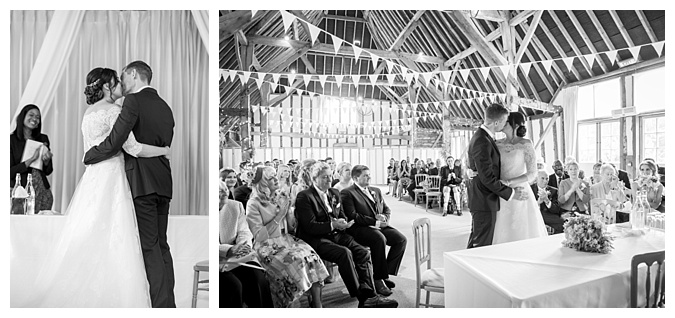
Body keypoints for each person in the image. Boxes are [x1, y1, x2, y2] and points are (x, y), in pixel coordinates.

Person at [25, 67, 172, 307]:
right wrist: (163, 150)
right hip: (113, 177)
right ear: (106, 87)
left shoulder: (88, 113)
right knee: (118, 237)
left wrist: (90, 158)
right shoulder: (114, 111)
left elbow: (88, 152)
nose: (120, 88)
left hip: (93, 179)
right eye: (116, 83)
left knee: (90, 233)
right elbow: (132, 148)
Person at [82, 63, 176, 307]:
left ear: (133, 74)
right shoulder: (166, 107)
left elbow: (120, 144)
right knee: (162, 245)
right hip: (163, 182)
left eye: (123, 77)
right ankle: (169, 304)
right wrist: (165, 150)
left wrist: (90, 156)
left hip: (141, 182)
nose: (121, 83)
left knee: (149, 247)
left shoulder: (131, 102)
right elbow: (161, 143)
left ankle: (162, 307)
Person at [295, 162, 397, 308]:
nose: (329, 180)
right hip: (316, 238)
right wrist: (332, 224)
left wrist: (343, 222)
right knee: (344, 253)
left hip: (337, 234)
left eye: (330, 176)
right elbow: (309, 226)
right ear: (314, 178)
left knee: (362, 252)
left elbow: (341, 214)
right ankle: (364, 298)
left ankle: (370, 293)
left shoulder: (334, 193)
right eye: (325, 177)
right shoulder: (304, 196)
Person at [246, 166, 328, 308]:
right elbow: (259, 236)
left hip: (286, 239)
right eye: (271, 178)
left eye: (274, 176)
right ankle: (290, 303)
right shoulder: (254, 203)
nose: (276, 179)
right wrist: (280, 214)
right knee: (295, 261)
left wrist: (290, 211)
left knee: (312, 257)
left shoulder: (280, 196)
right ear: (263, 183)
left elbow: (291, 227)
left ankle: (317, 304)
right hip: (266, 246)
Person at [466, 104, 529, 249]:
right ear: (496, 123)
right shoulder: (482, 140)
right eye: (504, 120)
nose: (505, 123)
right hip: (483, 199)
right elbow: (487, 177)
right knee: (481, 245)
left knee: (476, 240)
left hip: (484, 198)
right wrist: (512, 193)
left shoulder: (485, 137)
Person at [341, 165, 406, 297]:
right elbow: (353, 216)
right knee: (379, 239)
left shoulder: (375, 190)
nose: (369, 177)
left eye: (369, 174)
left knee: (400, 240)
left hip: (379, 225)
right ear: (355, 178)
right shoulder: (347, 193)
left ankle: (384, 273)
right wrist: (374, 222)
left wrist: (385, 217)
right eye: (365, 175)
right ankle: (378, 279)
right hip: (360, 228)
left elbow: (386, 208)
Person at [491, 112, 548, 244]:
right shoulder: (497, 143)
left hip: (520, 190)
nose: (502, 124)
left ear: (515, 124)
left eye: (506, 121)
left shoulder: (526, 144)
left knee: (522, 231)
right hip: (501, 191)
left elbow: (532, 173)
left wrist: (509, 182)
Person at [219, 181, 273, 308]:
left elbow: (244, 231)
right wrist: (229, 249)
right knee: (233, 285)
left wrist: (244, 246)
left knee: (257, 277)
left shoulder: (235, 206)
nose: (222, 204)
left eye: (224, 198)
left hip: (237, 256)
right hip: (219, 259)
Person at [10, 104, 54, 211]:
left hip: (43, 192)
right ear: (23, 117)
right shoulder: (11, 140)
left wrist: (47, 161)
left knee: (41, 224)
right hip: (20, 192)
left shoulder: (43, 138)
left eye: (38, 117)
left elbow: (48, 171)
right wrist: (30, 161)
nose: (35, 119)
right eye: (31, 115)